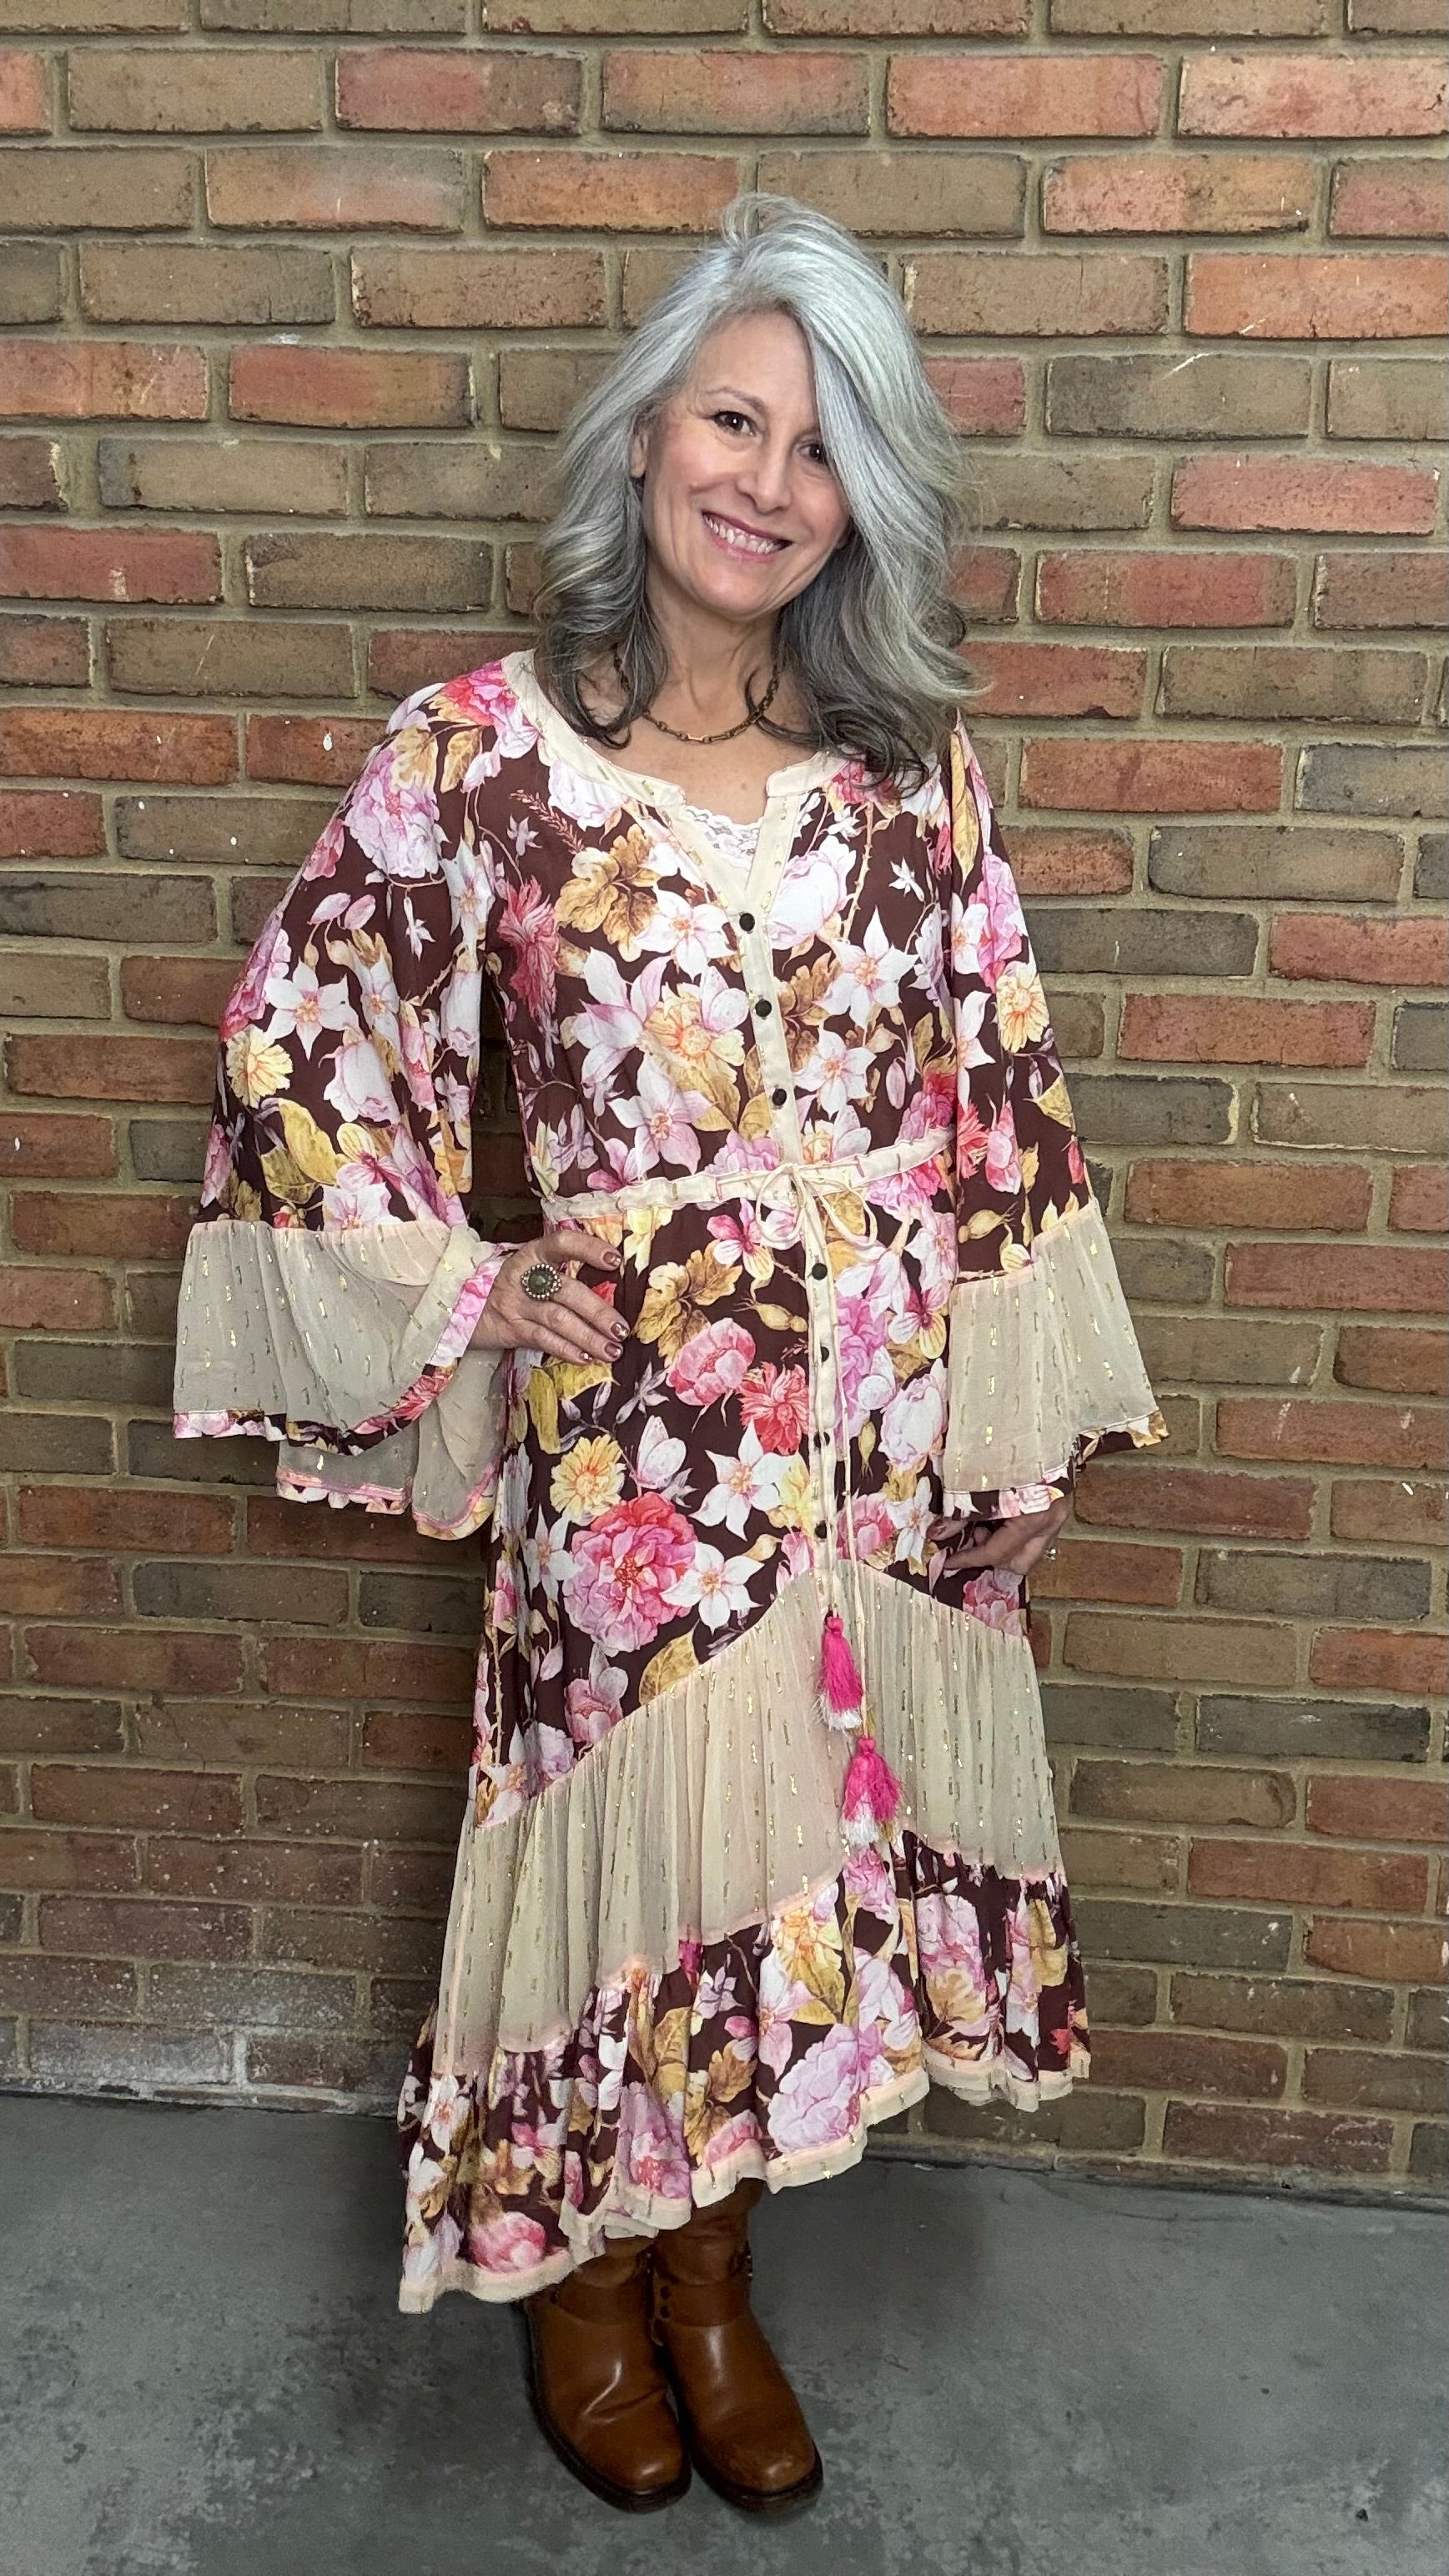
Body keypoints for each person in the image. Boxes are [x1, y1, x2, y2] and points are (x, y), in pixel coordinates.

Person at [174, 192, 1167, 2518]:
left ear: (861, 500)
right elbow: (299, 1036)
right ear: (641, 440)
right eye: (733, 421)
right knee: (622, 1840)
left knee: (803, 1845)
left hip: (873, 1422)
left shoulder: (913, 772)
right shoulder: (479, 759)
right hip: (634, 1451)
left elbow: (1002, 1091)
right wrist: (461, 1279)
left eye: (822, 450)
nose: (768, 482)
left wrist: (1015, 1418)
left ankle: (712, 2268)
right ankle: (583, 2278)